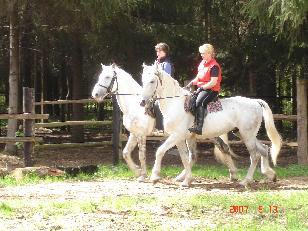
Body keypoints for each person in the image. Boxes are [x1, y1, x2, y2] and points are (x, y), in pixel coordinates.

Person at [186, 43, 222, 135]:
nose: (201, 55)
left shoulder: (214, 66)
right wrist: (191, 83)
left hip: (211, 89)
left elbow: (213, 82)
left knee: (199, 102)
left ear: (210, 53)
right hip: (203, 88)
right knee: (191, 100)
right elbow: (198, 78)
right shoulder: (202, 64)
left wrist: (201, 87)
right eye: (201, 53)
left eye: (203, 53)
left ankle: (199, 127)